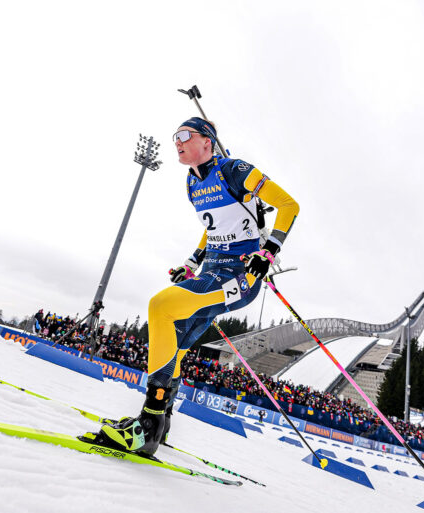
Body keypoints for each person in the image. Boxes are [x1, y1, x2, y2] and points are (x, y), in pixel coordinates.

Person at [92, 117, 299, 455]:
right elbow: (213, 226)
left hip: (239, 276)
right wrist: (191, 262)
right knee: (179, 338)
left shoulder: (235, 170)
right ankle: (161, 422)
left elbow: (289, 206)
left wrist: (268, 251)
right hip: (211, 272)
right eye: (174, 136)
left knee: (161, 307)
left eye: (185, 135)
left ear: (208, 142)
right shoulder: (191, 183)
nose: (177, 141)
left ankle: (148, 423)